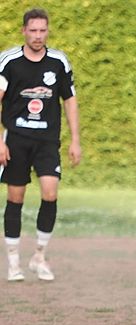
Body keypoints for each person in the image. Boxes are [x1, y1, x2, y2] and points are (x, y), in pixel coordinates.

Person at [0, 8, 81, 282]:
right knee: (15, 198)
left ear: (48, 31)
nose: (37, 36)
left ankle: (39, 256)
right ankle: (13, 262)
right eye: (33, 30)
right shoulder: (9, 61)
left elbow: (69, 100)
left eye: (42, 30)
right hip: (16, 139)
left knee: (50, 193)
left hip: (47, 140)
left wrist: (75, 140)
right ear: (24, 31)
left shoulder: (58, 62)